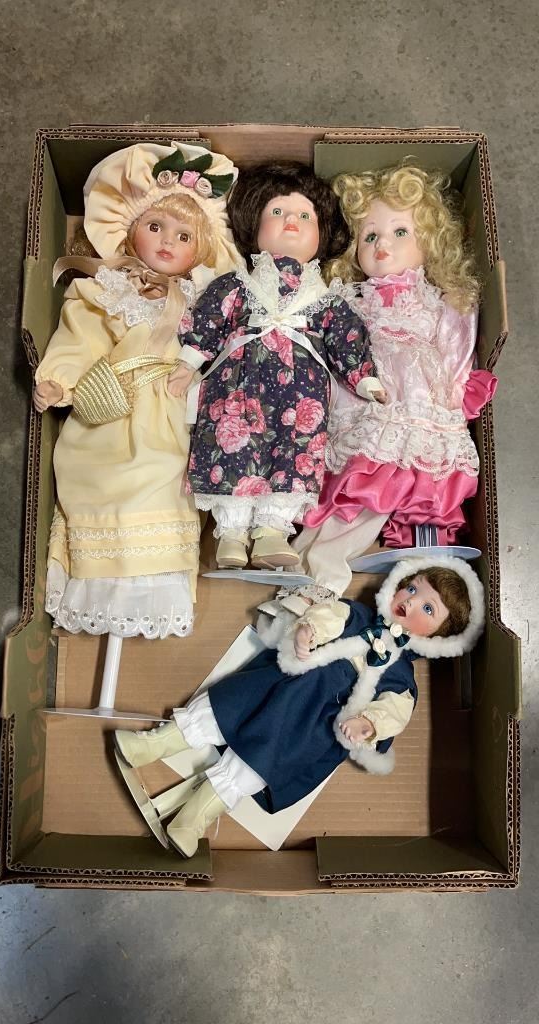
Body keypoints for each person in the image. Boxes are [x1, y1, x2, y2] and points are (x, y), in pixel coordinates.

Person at [114, 554, 484, 858]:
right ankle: (152, 745)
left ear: (436, 640)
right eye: (412, 587)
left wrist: (368, 724)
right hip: (284, 683)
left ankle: (193, 819)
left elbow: (394, 713)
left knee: (259, 762)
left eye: (427, 608)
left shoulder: (401, 678)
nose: (411, 601)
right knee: (225, 707)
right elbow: (328, 616)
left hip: (313, 724)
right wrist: (309, 631)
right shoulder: (356, 616)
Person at [33, 141, 241, 640]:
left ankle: (147, 588)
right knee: (102, 482)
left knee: (165, 484)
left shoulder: (205, 300)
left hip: (171, 415)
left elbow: (222, 356)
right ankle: (98, 579)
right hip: (110, 408)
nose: (167, 242)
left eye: (184, 236)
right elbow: (80, 335)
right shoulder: (105, 289)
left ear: (201, 250)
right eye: (155, 226)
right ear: (128, 229)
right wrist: (59, 379)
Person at [288, 164, 497, 604]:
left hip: (417, 403)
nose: (382, 244)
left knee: (387, 488)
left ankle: (332, 574)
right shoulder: (349, 301)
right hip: (364, 401)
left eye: (400, 231)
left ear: (430, 241)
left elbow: (457, 347)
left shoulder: (439, 301)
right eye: (370, 236)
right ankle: (306, 561)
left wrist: (453, 396)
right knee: (351, 485)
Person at [168, 161, 384, 571]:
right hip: (236, 386)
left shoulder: (326, 299)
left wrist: (364, 378)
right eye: (278, 212)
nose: (291, 221)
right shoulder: (238, 283)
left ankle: (272, 531)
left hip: (299, 398)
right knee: (232, 446)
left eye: (305, 215)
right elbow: (210, 318)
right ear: (255, 225)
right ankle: (231, 534)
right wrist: (188, 362)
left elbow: (345, 337)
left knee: (293, 452)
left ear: (321, 233)